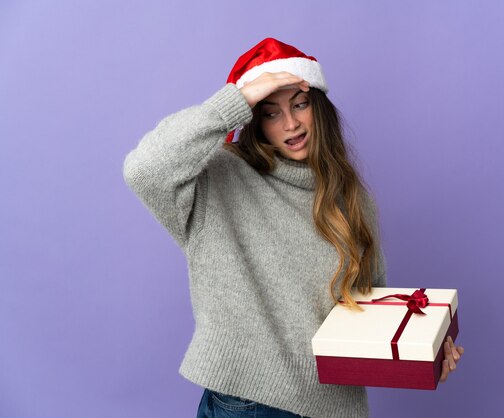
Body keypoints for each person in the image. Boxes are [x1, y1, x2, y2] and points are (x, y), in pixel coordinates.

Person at [123, 38, 463, 418]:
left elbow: (368, 309)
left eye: (300, 105)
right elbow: (145, 169)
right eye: (270, 112)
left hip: (336, 405)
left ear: (318, 107)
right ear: (252, 119)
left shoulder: (352, 198)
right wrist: (236, 99)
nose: (291, 123)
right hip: (251, 403)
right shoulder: (218, 179)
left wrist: (427, 351)